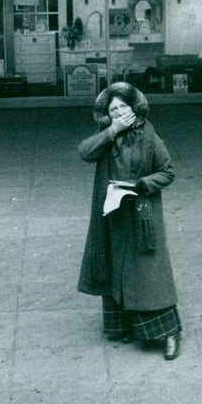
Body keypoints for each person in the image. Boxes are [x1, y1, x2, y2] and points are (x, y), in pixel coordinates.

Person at [77, 82, 182, 360]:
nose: (120, 112)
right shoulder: (107, 134)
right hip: (113, 215)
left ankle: (170, 331)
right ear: (107, 114)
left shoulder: (147, 133)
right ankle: (125, 326)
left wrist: (141, 184)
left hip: (140, 214)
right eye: (114, 109)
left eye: (124, 106)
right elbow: (85, 152)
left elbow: (167, 171)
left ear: (134, 107)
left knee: (150, 273)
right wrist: (113, 131)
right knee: (117, 266)